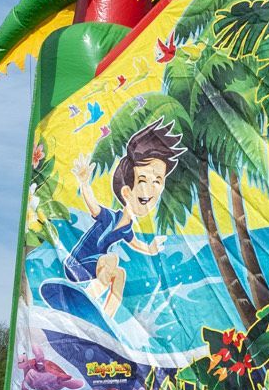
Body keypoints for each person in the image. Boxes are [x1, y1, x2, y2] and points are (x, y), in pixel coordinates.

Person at [66, 120, 182, 319]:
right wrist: (84, 183)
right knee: (113, 259)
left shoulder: (127, 228)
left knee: (120, 275)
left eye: (157, 182)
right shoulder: (109, 217)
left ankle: (105, 319)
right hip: (77, 263)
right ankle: (85, 301)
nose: (152, 189)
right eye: (144, 181)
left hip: (95, 266)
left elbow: (136, 244)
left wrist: (151, 248)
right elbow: (92, 204)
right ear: (127, 192)